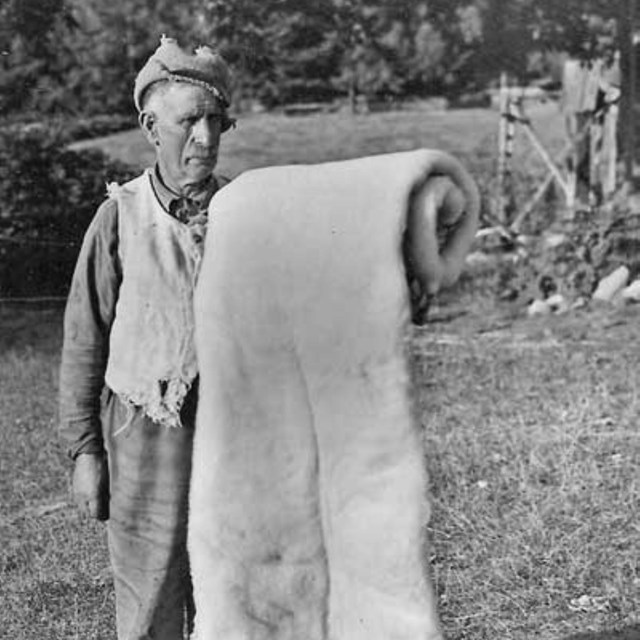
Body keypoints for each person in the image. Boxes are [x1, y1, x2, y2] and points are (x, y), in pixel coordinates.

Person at [58, 35, 235, 639]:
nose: (205, 138)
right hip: (143, 431)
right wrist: (86, 452)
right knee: (149, 587)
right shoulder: (122, 216)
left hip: (233, 434)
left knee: (229, 583)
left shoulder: (245, 213)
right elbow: (85, 338)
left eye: (217, 121)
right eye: (190, 121)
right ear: (151, 126)